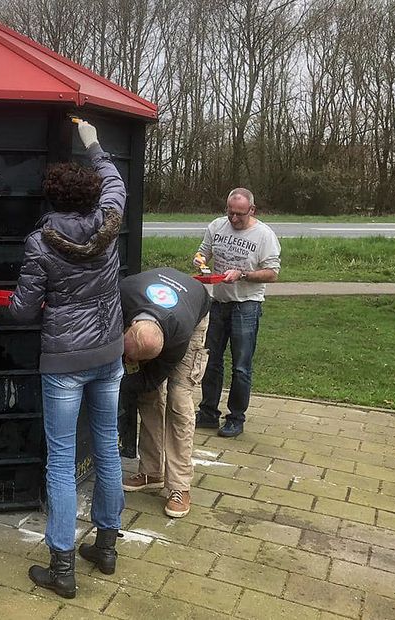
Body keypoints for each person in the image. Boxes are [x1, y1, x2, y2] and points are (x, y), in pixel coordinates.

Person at [10, 120, 126, 599]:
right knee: (108, 446)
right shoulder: (109, 222)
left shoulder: (40, 243)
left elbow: (21, 310)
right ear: (92, 197)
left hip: (63, 361)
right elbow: (116, 180)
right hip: (109, 350)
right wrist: (93, 142)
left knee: (61, 461)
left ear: (51, 199)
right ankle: (106, 547)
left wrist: (12, 304)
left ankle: (61, 568)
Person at [108, 267, 210, 522]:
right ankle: (152, 471)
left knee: (178, 400)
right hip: (156, 307)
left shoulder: (178, 337)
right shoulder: (123, 296)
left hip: (192, 319)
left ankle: (179, 486)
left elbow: (151, 377)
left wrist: (120, 382)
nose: (128, 360)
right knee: (149, 396)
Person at [193, 188, 281, 438]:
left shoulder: (264, 235)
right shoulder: (217, 226)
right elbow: (202, 252)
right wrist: (199, 261)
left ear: (251, 210)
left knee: (241, 366)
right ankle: (208, 412)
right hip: (217, 303)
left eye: (239, 215)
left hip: (246, 305)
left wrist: (242, 274)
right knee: (210, 360)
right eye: (230, 213)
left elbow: (272, 273)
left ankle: (236, 417)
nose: (233, 219)